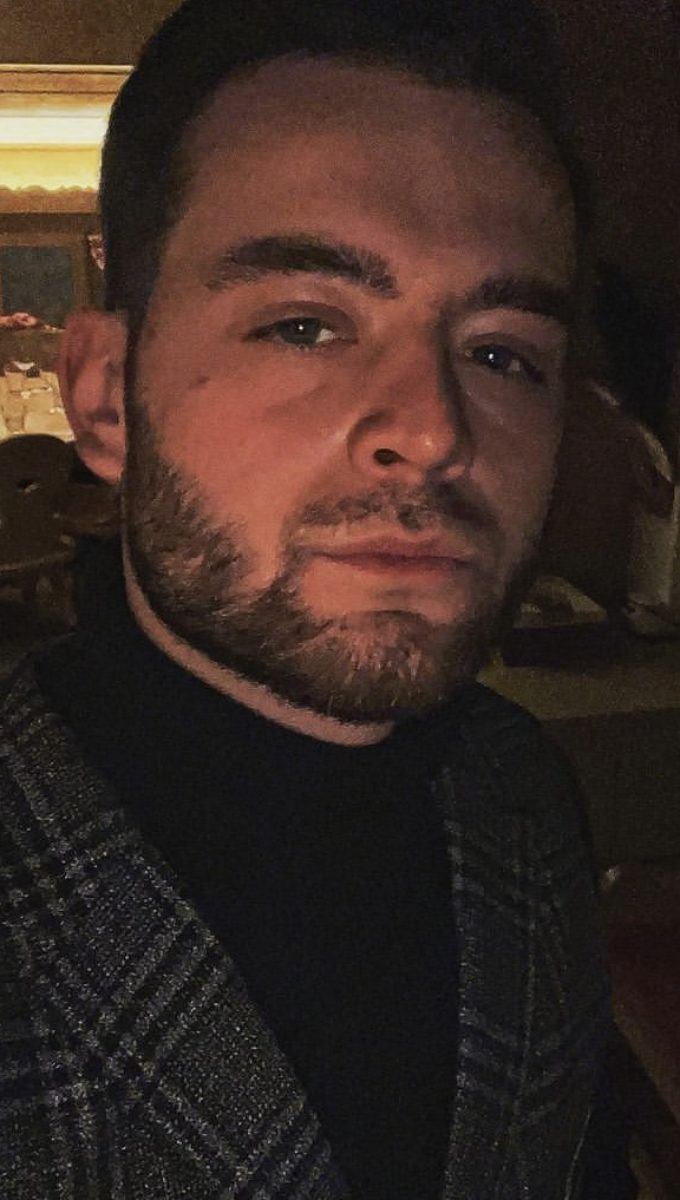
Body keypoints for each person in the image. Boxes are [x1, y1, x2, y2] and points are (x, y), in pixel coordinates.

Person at [0, 1, 636, 1196]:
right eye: (304, 325)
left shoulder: (522, 794)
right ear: (105, 397)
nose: (431, 432)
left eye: (500, 353)